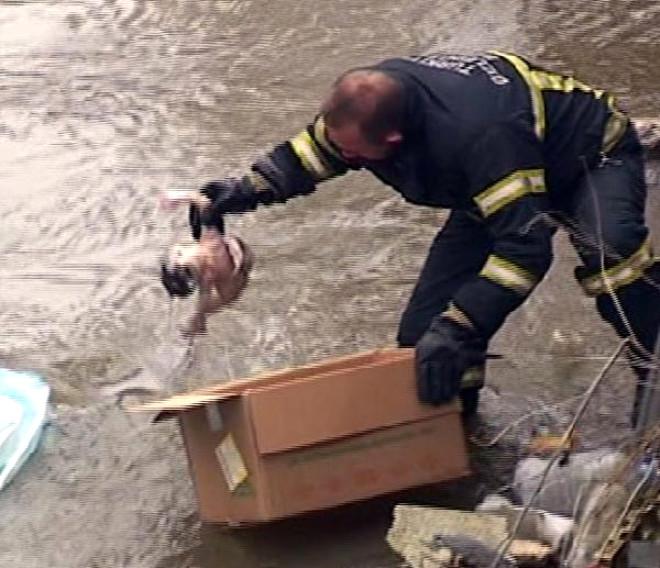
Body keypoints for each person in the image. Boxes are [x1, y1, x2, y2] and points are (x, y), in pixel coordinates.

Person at [189, 52, 659, 423]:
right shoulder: (370, 105)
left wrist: (462, 324)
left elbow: (524, 250)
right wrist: (244, 190)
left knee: (613, 261)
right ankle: (455, 434)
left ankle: (652, 372)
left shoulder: (480, 136)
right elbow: (316, 150)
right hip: (489, 182)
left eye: (355, 154)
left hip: (586, 158)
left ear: (394, 140)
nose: (345, 157)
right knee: (422, 340)